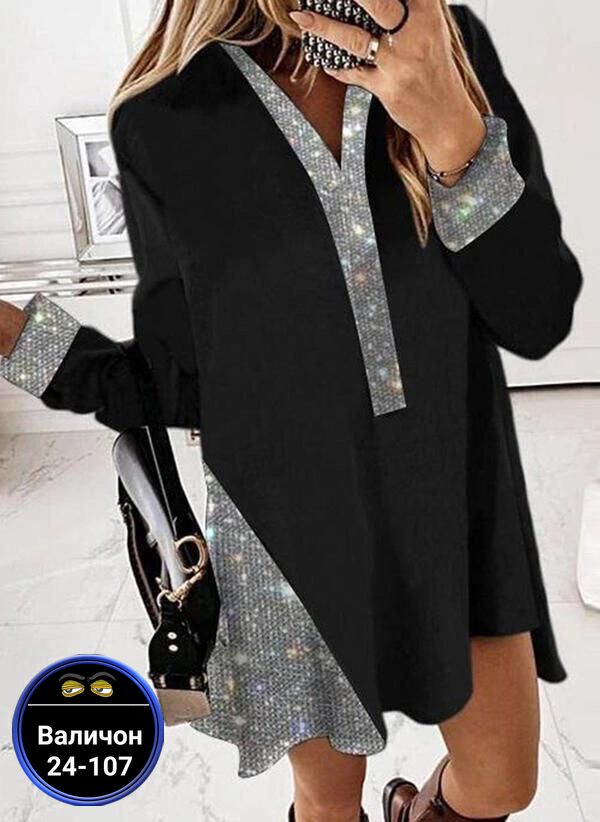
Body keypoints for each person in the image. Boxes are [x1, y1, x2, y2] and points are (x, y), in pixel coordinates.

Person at [0, 1, 583, 820]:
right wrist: (16, 339)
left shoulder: (445, 46)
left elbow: (538, 314)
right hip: (291, 538)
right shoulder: (164, 118)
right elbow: (180, 378)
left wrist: (453, 136)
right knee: (326, 801)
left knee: (500, 783)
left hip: (455, 501)